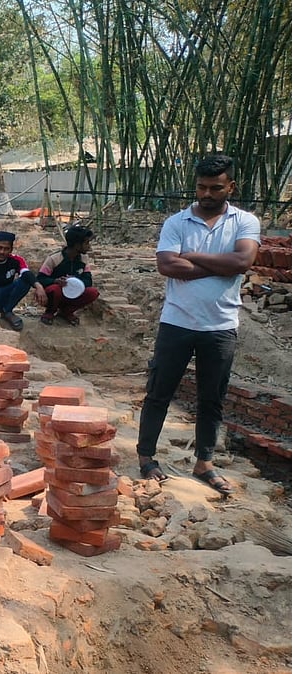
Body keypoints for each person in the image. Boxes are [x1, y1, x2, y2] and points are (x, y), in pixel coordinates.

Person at [135, 154, 260, 495]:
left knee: (211, 398)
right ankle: (146, 457)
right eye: (201, 187)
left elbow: (244, 260)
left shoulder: (245, 222)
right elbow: (167, 266)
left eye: (215, 188)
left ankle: (204, 462)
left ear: (230, 186)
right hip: (176, 322)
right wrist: (224, 266)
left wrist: (190, 256)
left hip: (220, 326)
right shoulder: (177, 222)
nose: (207, 194)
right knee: (159, 391)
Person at [0, 231, 47, 331]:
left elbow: (26, 272)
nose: (2, 252)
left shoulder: (17, 260)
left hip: (6, 293)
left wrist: (39, 286)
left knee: (26, 280)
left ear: (11, 250)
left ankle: (7, 311)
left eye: (6, 249)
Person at [36, 225, 100, 325]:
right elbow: (40, 278)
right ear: (77, 245)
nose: (89, 246)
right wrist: (55, 281)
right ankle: (50, 312)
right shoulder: (54, 259)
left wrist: (76, 280)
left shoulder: (83, 259)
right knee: (55, 289)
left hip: (73, 294)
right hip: (54, 295)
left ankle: (66, 311)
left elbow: (88, 281)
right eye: (86, 243)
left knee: (93, 292)